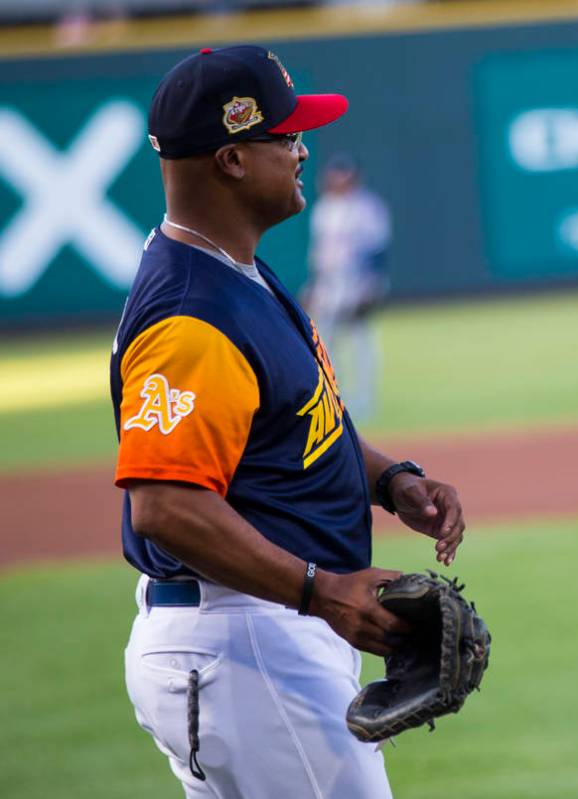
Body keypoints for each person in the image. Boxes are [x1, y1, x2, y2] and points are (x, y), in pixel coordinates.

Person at [110, 45, 465, 798]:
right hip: (244, 638)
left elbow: (299, 421)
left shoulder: (234, 269)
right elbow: (165, 504)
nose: (305, 149)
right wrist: (322, 590)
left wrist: (389, 478)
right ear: (232, 159)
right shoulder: (190, 314)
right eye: (287, 136)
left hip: (258, 633)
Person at [304, 154, 391, 422]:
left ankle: (365, 399)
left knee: (360, 340)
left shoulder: (367, 207)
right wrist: (314, 285)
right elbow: (319, 252)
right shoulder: (324, 209)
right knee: (325, 344)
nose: (338, 179)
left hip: (356, 280)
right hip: (329, 283)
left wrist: (371, 284)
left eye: (343, 174)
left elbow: (378, 249)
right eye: (334, 174)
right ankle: (333, 398)